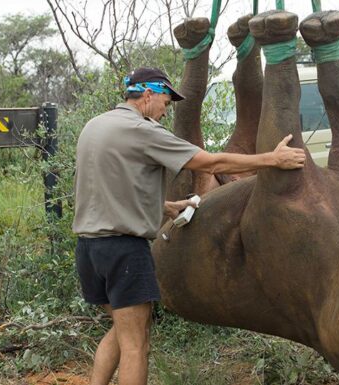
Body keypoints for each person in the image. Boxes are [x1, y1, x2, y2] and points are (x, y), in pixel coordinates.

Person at [72, 67, 306, 385]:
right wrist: (271, 160)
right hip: (123, 251)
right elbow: (210, 163)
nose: (166, 110)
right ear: (148, 94)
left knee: (120, 329)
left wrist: (165, 207)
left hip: (89, 249)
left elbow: (110, 186)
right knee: (136, 344)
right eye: (165, 101)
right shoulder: (142, 130)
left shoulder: (96, 126)